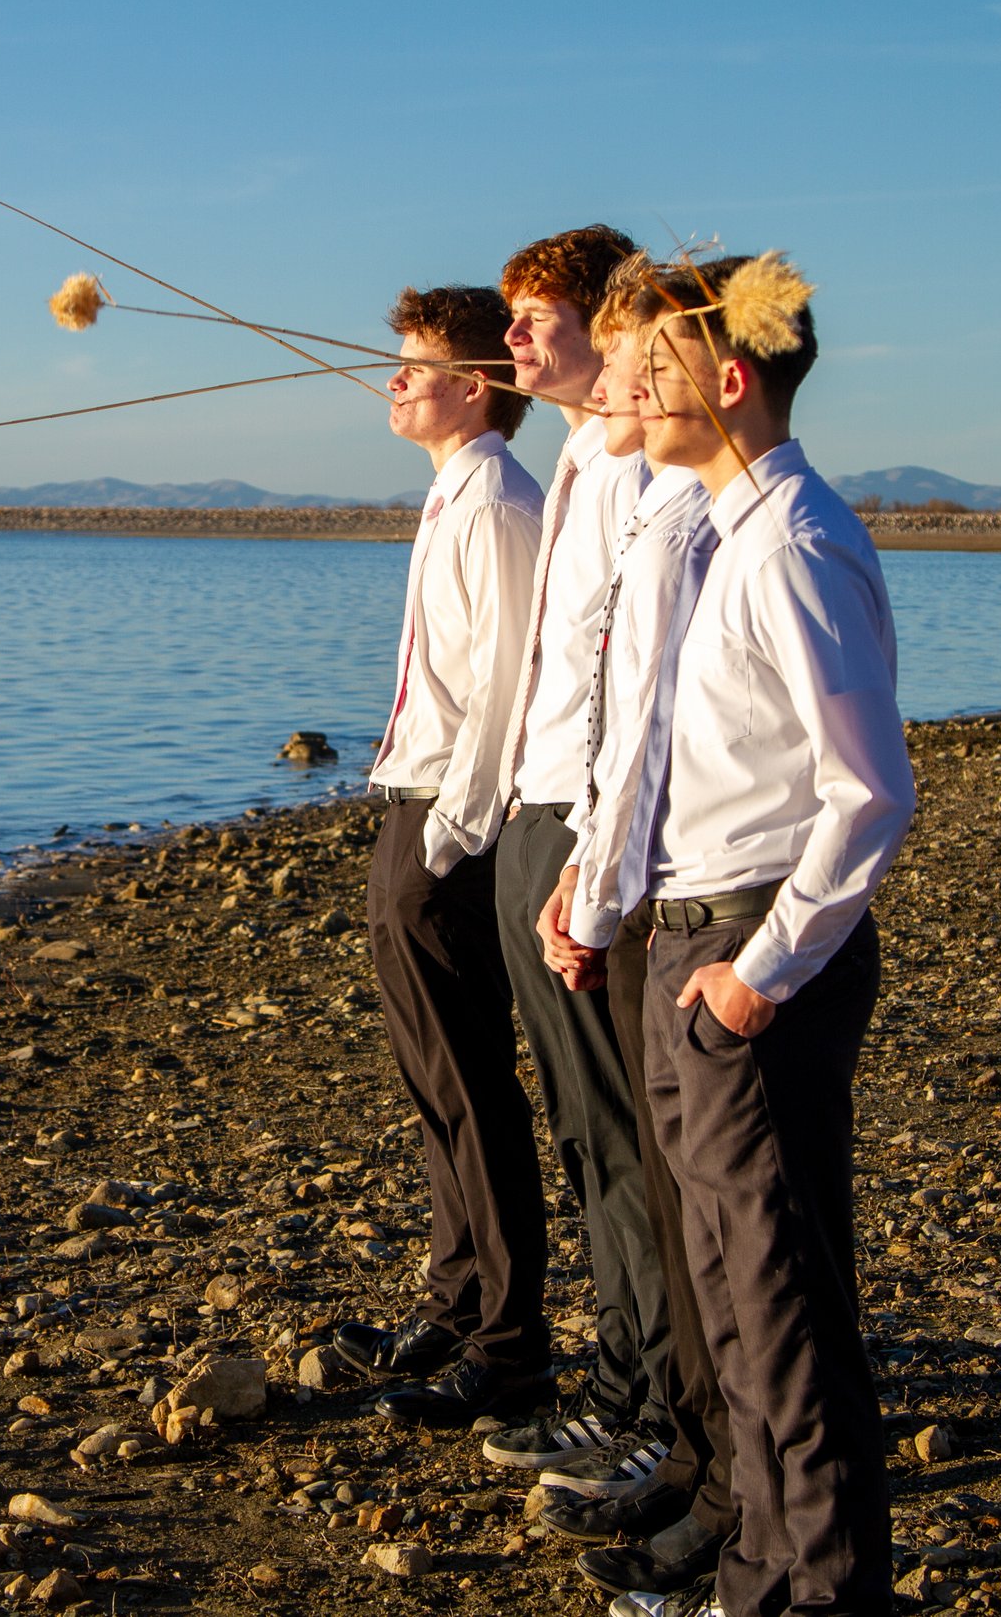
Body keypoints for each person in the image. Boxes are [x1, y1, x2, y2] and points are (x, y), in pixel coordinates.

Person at [573, 255, 915, 1617]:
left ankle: (824, 1587)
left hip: (753, 953)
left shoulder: (793, 542)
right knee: (726, 1289)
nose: (626, 389)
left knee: (782, 1308)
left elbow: (871, 789)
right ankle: (760, 1568)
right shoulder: (723, 531)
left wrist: (754, 979)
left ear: (728, 380)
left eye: (651, 366)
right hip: (697, 942)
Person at [525, 289, 735, 1600]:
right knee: (649, 1179)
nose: (627, 388)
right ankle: (703, 1465)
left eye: (651, 365)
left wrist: (603, 893)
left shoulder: (737, 528)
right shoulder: (655, 498)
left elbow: (667, 734)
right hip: (615, 865)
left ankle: (749, 1511)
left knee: (721, 1227)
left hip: (698, 903)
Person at [473, 228, 683, 1494]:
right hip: (536, 809)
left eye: (533, 317)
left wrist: (589, 855)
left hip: (584, 824)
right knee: (580, 1130)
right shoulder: (569, 451)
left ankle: (656, 1396)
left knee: (619, 1130)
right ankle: (622, 1373)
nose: (513, 342)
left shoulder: (630, 462)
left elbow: (630, 682)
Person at [336, 284, 550, 1428]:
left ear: (477, 385)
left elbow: (509, 693)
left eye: (414, 363)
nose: (394, 378)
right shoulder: (450, 494)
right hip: (415, 809)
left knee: (473, 1085)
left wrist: (448, 836)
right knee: (431, 1078)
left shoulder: (499, 503)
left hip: (451, 826)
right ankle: (458, 1297)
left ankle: (512, 1348)